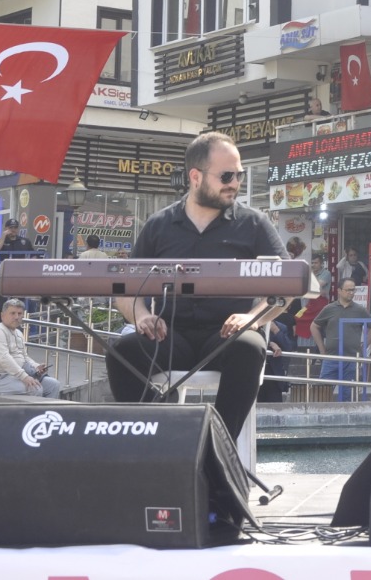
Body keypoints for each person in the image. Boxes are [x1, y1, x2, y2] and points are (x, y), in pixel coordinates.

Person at [103, 131, 281, 438]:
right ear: (195, 176)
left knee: (250, 348)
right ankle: (154, 438)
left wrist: (254, 318)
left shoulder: (254, 224)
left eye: (238, 175)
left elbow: (285, 288)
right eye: (226, 175)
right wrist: (141, 315)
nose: (235, 183)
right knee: (120, 351)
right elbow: (126, 289)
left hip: (226, 334)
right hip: (172, 335)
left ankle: (216, 447)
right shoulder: (159, 225)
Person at [0, 297, 59, 397]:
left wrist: (36, 366)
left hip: (17, 375)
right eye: (12, 313)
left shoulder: (18, 333)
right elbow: (4, 358)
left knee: (54, 385)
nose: (16, 317)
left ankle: (48, 412)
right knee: (35, 389)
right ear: (2, 315)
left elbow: (24, 357)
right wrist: (24, 377)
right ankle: (32, 413)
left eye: (19, 314)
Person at [313, 279, 369, 401]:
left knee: (348, 395)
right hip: (331, 357)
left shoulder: (359, 310)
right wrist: (322, 351)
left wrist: (364, 344)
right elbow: (314, 326)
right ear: (339, 291)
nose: (351, 292)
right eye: (348, 290)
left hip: (351, 358)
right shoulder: (329, 308)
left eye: (353, 290)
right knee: (323, 393)